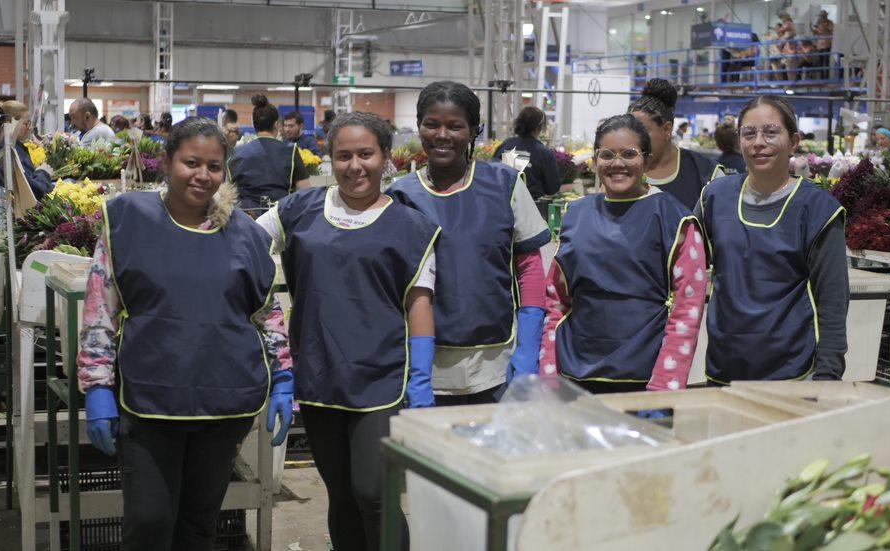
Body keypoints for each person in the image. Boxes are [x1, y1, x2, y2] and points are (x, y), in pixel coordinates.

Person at [76, 117, 294, 550]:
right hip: (150, 399)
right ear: (167, 162)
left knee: (198, 525)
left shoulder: (246, 235)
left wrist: (284, 377)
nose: (203, 175)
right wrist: (97, 386)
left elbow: (267, 313)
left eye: (213, 166)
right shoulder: (128, 220)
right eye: (191, 163)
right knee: (149, 523)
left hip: (224, 402)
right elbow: (101, 308)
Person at [256, 112, 438, 550]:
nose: (355, 166)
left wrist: (421, 379)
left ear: (385, 157)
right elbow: (244, 244)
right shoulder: (297, 210)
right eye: (343, 156)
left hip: (381, 379)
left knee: (373, 494)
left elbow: (420, 302)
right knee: (340, 494)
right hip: (319, 374)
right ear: (329, 159)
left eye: (366, 154)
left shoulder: (411, 226)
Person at [390, 81, 551, 405]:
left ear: (475, 130)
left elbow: (530, 267)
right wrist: (415, 375)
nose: (442, 135)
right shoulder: (400, 195)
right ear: (419, 126)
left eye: (455, 126)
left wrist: (529, 345)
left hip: (498, 362)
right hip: (426, 365)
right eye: (431, 124)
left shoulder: (505, 184)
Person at [540, 114, 706, 393]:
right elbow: (556, 301)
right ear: (595, 160)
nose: (618, 163)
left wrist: (664, 387)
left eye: (629, 154)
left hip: (644, 380)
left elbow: (687, 310)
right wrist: (548, 373)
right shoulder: (575, 214)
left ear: (647, 160)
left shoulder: (675, 220)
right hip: (573, 376)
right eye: (607, 154)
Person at [695, 95, 848, 383]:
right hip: (723, 370)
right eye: (749, 134)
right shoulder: (714, 197)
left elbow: (833, 301)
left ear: (794, 141)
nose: (759, 142)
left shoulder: (818, 209)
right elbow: (684, 270)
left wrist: (828, 374)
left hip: (792, 375)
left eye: (771, 132)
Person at [629, 79, 721, 209]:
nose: (634, 139)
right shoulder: (621, 170)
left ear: (667, 129)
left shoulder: (707, 173)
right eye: (630, 131)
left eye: (642, 130)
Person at [228, 95, 311, 214]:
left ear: (254, 124)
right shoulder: (290, 152)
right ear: (276, 125)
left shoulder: (236, 153)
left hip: (246, 218)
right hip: (280, 217)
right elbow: (305, 192)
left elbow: (228, 194)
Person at [492, 106, 562, 200]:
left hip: (503, 203)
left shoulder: (505, 145)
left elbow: (492, 175)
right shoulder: (543, 153)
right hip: (532, 205)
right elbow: (553, 188)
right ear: (539, 127)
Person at [0, 100, 55, 199]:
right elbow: (31, 189)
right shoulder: (9, 151)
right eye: (26, 123)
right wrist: (43, 173)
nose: (30, 128)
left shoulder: (15, 147)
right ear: (10, 123)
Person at [812, 10, 834, 76]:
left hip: (827, 44)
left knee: (826, 61)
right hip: (820, 45)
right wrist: (812, 28)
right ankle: (822, 76)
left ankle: (826, 76)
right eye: (822, 16)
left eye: (824, 15)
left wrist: (824, 25)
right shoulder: (818, 23)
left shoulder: (829, 22)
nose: (823, 17)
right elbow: (815, 33)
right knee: (820, 61)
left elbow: (831, 29)